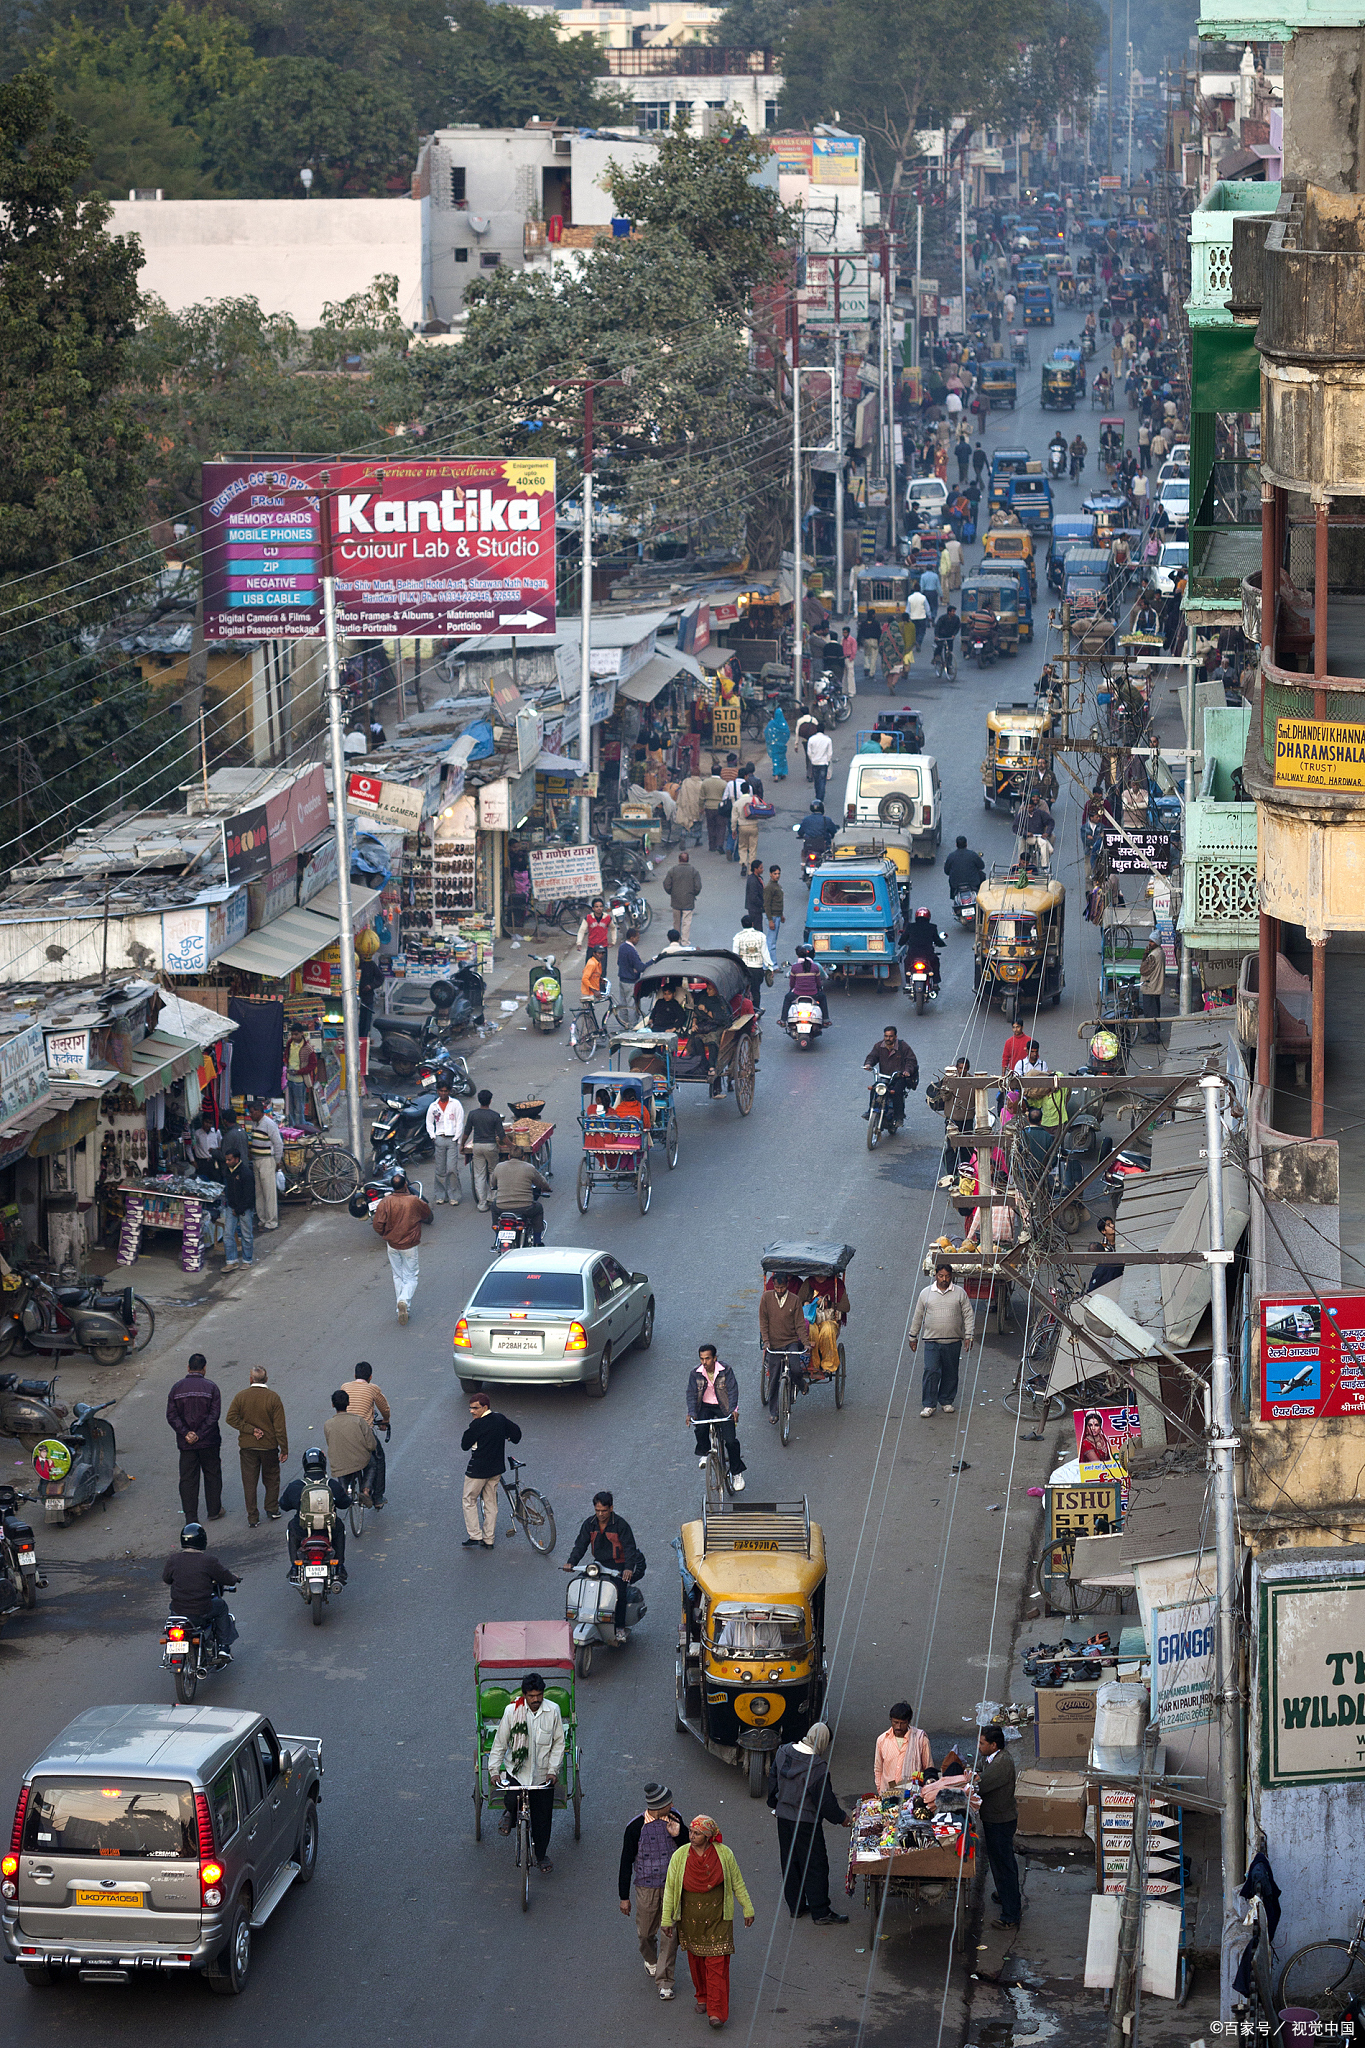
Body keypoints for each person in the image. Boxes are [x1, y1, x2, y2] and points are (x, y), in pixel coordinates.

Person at [660, 1815, 755, 2030]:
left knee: (717, 1966)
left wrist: (747, 1908)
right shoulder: (679, 1857)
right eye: (691, 1833)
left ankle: (716, 2011)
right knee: (697, 1962)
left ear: (708, 1836)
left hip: (718, 1920)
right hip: (691, 1922)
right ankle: (702, 1996)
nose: (691, 1837)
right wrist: (667, 1919)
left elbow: (737, 1882)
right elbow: (670, 1889)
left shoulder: (724, 1854)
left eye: (696, 1834)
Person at [768, 1723, 850, 1925]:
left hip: (784, 1818)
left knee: (790, 1861)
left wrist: (776, 1803)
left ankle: (796, 1906)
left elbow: (773, 1779)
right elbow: (825, 1801)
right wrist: (842, 1818)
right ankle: (820, 1911)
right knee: (815, 1864)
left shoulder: (783, 1751)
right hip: (806, 1822)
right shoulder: (817, 1767)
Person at [489, 1672, 565, 1875]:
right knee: (512, 1800)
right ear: (524, 1695)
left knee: (543, 1819)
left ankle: (541, 1855)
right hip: (517, 1771)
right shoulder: (512, 1712)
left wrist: (552, 1770)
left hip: (542, 1776)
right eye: (531, 1696)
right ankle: (511, 1814)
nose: (536, 1700)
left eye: (539, 1695)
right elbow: (500, 1743)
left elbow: (558, 1743)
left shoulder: (553, 1711)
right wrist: (494, 1771)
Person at [619, 1784, 685, 2001]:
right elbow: (625, 1862)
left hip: (671, 1888)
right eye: (668, 1803)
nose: (673, 1806)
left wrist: (679, 1834)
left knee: (670, 1933)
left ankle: (665, 1982)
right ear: (657, 1807)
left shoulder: (675, 1819)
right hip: (646, 1888)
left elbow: (688, 1847)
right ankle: (650, 1959)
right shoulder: (635, 1827)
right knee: (646, 1933)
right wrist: (624, 1897)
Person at [562, 1489, 644, 1641]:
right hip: (598, 1564)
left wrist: (628, 1568)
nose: (600, 1514)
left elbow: (629, 1548)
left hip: (618, 1565)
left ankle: (619, 1628)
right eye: (597, 1510)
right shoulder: (589, 1524)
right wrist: (571, 1562)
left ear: (611, 1508)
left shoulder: (621, 1525)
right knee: (580, 1585)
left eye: (604, 1511)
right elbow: (580, 1545)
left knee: (619, 1593)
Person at [908, 1260, 973, 1417]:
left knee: (950, 1372)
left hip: (953, 1341)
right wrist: (913, 1336)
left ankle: (946, 1400)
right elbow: (918, 1316)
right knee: (931, 1371)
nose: (944, 1279)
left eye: (947, 1276)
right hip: (932, 1341)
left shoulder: (960, 1293)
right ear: (935, 1275)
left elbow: (968, 1314)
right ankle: (929, 1404)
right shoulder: (925, 1293)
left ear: (951, 1277)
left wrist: (969, 1336)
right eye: (941, 1276)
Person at [224, 1365, 288, 1526]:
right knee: (272, 1478)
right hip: (269, 1447)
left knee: (249, 1482)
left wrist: (250, 1430)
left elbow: (231, 1418)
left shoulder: (241, 1396)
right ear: (266, 1379)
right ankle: (272, 1508)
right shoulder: (273, 1398)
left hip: (248, 1448)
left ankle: (253, 1517)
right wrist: (284, 1449)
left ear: (250, 1379)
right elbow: (279, 1427)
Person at [162, 1522, 239, 1655]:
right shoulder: (208, 1561)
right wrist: (234, 1579)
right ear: (202, 1540)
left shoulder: (173, 1559)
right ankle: (223, 1647)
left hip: (178, 1612)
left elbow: (166, 1579)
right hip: (201, 1611)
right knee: (221, 1606)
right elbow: (226, 1578)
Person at [370, 1166, 433, 1324]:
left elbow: (377, 1224)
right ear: (405, 1185)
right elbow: (427, 1213)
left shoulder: (386, 1202)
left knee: (397, 1276)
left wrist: (386, 1235)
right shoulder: (413, 1201)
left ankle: (401, 1309)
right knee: (411, 1277)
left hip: (392, 1244)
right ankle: (404, 1301)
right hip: (410, 1244)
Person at [460, 1388, 521, 1547]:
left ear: (485, 1407)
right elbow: (516, 1434)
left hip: (478, 1471)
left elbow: (465, 1445)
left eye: (475, 1408)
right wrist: (507, 1436)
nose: (471, 1411)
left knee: (469, 1500)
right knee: (491, 1503)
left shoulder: (477, 1425)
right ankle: (489, 1539)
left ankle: (475, 1536)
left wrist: (472, 1429)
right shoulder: (500, 1419)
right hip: (496, 1470)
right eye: (471, 1408)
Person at [166, 1352, 224, 1522]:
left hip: (186, 1445)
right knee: (212, 1474)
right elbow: (214, 1416)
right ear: (204, 1368)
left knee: (188, 1480)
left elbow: (172, 1415)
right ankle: (214, 1510)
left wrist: (186, 1433)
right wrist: (199, 1434)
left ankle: (191, 1517)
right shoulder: (211, 1388)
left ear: (188, 1367)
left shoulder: (177, 1388)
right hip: (209, 1441)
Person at [279, 1446, 347, 1583]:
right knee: (340, 1528)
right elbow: (345, 1503)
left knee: (291, 1527)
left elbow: (283, 1505)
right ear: (323, 1464)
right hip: (328, 1532)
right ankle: (339, 1567)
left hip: (303, 1531)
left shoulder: (296, 1486)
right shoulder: (332, 1485)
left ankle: (294, 1567)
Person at [975, 1725, 1021, 1930]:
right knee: (1000, 1863)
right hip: (995, 1819)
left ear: (993, 1745)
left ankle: (1011, 1914)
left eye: (982, 1743)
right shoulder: (992, 1759)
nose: (979, 1746)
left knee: (1004, 1866)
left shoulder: (1002, 1763)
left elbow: (980, 1786)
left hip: (1000, 1822)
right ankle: (1004, 1895)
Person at [686, 1344, 746, 1491]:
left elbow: (732, 1391)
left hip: (723, 1407)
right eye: (701, 1359)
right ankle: (705, 1452)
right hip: (705, 1406)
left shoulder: (726, 1371)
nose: (704, 1362)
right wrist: (691, 1413)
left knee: (731, 1441)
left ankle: (737, 1473)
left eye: (707, 1359)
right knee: (700, 1428)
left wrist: (733, 1410)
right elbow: (691, 1394)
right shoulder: (695, 1373)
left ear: (715, 1358)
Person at [759, 1271, 810, 1421]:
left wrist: (806, 1343)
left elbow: (800, 1324)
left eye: (782, 1287)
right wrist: (766, 1341)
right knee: (774, 1377)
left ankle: (801, 1384)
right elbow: (763, 1322)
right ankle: (774, 1412)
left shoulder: (794, 1300)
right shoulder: (766, 1298)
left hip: (791, 1341)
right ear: (773, 1285)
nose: (780, 1290)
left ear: (787, 1285)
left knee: (796, 1368)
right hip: (774, 1344)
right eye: (777, 1287)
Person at [342, 1361, 389, 1507]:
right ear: (370, 1377)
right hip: (363, 1432)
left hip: (344, 1431)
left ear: (355, 1375)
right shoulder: (372, 1388)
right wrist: (385, 1421)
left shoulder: (345, 1386)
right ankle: (377, 1498)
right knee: (378, 1459)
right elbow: (384, 1408)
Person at [487, 1143, 552, 1246]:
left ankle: (497, 1234)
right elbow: (541, 1182)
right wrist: (547, 1188)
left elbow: (493, 1183)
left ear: (509, 1156)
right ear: (523, 1157)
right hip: (525, 1208)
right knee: (538, 1208)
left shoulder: (499, 1167)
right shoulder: (529, 1168)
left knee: (494, 1207)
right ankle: (537, 1242)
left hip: (501, 1207)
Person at [325, 1386, 376, 1505]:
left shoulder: (328, 1424)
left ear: (333, 1405)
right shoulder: (359, 1421)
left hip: (339, 1463)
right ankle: (366, 1491)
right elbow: (371, 1445)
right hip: (360, 1461)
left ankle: (342, 1493)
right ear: (348, 1403)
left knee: (342, 1472)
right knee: (372, 1464)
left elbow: (330, 1442)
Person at [863, 1024, 918, 1127]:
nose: (888, 1038)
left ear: (895, 1037)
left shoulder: (903, 1046)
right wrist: (868, 1064)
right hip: (884, 1076)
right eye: (886, 1036)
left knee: (897, 1092)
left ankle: (899, 1117)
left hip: (898, 1077)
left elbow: (911, 1061)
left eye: (891, 1036)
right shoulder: (879, 1046)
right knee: (875, 1088)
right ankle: (870, 1110)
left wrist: (907, 1071)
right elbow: (872, 1056)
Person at [874, 1701, 933, 1795]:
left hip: (913, 1793)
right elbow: (878, 1768)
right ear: (891, 1720)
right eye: (895, 1722)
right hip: (888, 1793)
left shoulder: (921, 1739)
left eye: (903, 1723)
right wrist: (879, 1789)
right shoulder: (882, 1740)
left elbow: (929, 1769)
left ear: (908, 1722)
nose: (898, 1727)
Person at [462, 1090, 506, 1211]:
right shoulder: (494, 1115)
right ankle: (493, 1198)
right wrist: (511, 1146)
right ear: (490, 1101)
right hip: (491, 1146)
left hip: (477, 1147)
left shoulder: (472, 1114)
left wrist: (462, 1145)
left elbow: (467, 1132)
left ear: (479, 1100)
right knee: (493, 1171)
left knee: (479, 1175)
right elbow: (502, 1135)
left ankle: (482, 1203)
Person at [425, 1074, 465, 1206]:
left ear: (449, 1091)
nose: (443, 1093)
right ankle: (441, 1195)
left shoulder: (456, 1104)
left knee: (452, 1169)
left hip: (451, 1140)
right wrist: (433, 1137)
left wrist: (456, 1138)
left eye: (445, 1091)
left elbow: (460, 1122)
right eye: (441, 1091)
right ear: (438, 1091)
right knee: (440, 1170)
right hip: (439, 1140)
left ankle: (454, 1195)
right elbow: (429, 1123)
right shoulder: (433, 1106)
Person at [219, 1136, 256, 1270]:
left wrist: (239, 1209)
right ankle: (231, 1261)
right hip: (232, 1207)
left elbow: (249, 1195)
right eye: (226, 1159)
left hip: (244, 1208)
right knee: (228, 1234)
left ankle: (247, 1260)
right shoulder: (228, 1172)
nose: (227, 1162)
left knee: (246, 1235)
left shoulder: (246, 1173)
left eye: (229, 1160)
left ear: (236, 1159)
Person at [247, 1099, 283, 1232]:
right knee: (260, 1192)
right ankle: (263, 1219)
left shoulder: (269, 1124)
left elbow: (278, 1144)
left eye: (251, 1112)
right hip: (257, 1160)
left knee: (269, 1192)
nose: (250, 1115)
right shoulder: (256, 1123)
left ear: (258, 1111)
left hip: (267, 1160)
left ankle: (271, 1222)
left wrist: (277, 1161)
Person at [732, 915, 773, 1011]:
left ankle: (745, 1009)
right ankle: (756, 1009)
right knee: (756, 990)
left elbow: (735, 954)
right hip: (757, 968)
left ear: (742, 925)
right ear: (753, 924)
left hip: (744, 969)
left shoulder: (738, 937)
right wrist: (770, 967)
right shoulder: (761, 936)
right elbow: (765, 953)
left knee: (744, 990)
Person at [781, 946, 830, 1026]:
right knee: (823, 997)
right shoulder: (815, 966)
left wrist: (792, 989)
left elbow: (792, 983)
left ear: (797, 956)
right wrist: (819, 989)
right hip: (813, 994)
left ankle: (783, 1020)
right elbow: (818, 982)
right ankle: (826, 1020)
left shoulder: (794, 967)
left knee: (787, 998)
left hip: (797, 993)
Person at [663, 850, 703, 943]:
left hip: (676, 900)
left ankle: (676, 940)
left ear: (679, 860)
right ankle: (685, 941)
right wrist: (693, 894)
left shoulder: (672, 870)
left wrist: (672, 893)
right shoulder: (693, 871)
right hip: (688, 900)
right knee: (686, 922)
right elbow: (698, 886)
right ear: (688, 860)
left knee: (676, 922)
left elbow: (666, 884)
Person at [283, 1023, 317, 1128]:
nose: (294, 1037)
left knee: (299, 1106)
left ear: (302, 1034)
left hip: (299, 1080)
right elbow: (286, 1056)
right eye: (292, 1034)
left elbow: (313, 1064)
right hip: (289, 1079)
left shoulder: (308, 1048)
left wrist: (299, 1072)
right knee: (290, 1106)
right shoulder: (290, 1044)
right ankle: (294, 1126)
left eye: (296, 1034)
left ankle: (300, 1126)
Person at [908, 906, 947, 989]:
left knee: (906, 962)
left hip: (913, 955)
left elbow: (903, 939)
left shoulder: (910, 927)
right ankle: (936, 983)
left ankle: (908, 982)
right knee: (935, 962)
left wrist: (902, 943)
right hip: (928, 955)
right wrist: (942, 944)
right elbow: (937, 940)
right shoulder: (932, 927)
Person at [1087, 1216, 1126, 1293]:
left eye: (1112, 1223)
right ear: (1103, 1231)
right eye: (1108, 1225)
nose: (1112, 1226)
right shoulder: (1103, 1248)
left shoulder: (1122, 1239)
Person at [1140, 933, 1166, 1042]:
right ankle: (1153, 1033)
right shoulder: (1160, 953)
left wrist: (1145, 955)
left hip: (1150, 987)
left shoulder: (1153, 956)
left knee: (1150, 1013)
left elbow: (1143, 970)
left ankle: (1153, 1035)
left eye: (1152, 941)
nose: (1150, 943)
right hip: (1156, 988)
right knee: (1155, 1012)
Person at [944, 834, 986, 901]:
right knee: (982, 875)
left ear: (956, 845)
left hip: (955, 885)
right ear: (966, 844)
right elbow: (982, 866)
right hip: (973, 884)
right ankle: (982, 894)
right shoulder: (972, 855)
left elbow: (946, 871)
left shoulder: (951, 856)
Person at [616, 926, 645, 1018]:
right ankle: (632, 1027)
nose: (638, 940)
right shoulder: (631, 950)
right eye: (637, 938)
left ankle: (624, 1025)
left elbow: (618, 962)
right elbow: (640, 967)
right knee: (632, 1006)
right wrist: (652, 961)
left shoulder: (622, 947)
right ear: (632, 938)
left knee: (623, 1005)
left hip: (622, 980)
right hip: (631, 982)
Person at [673, 771, 708, 850]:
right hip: (697, 808)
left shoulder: (686, 782)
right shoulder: (701, 784)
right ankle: (697, 840)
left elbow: (681, 793)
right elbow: (703, 797)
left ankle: (683, 837)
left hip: (687, 807)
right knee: (698, 825)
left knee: (686, 823)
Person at [578, 897, 613, 963]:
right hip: (592, 946)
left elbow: (613, 928)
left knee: (602, 969)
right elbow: (581, 930)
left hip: (603, 946)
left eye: (600, 906)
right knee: (589, 968)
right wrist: (579, 943)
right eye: (596, 907)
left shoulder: (607, 918)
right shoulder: (588, 918)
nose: (599, 908)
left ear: (603, 907)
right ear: (593, 908)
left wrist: (613, 941)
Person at [932, 603, 960, 676]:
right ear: (949, 612)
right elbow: (937, 627)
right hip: (941, 636)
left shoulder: (956, 619)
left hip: (950, 637)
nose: (954, 613)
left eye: (954, 612)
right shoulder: (942, 618)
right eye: (952, 611)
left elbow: (957, 627)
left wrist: (954, 634)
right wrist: (936, 636)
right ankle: (936, 657)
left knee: (949, 652)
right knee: (940, 646)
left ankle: (949, 666)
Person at [765, 703, 791, 780]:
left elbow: (766, 732)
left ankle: (776, 775)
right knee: (782, 759)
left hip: (774, 744)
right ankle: (783, 773)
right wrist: (784, 741)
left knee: (775, 758)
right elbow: (787, 733)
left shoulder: (771, 723)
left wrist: (771, 740)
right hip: (782, 745)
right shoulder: (784, 724)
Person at [857, 608, 881, 685]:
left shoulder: (864, 623)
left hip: (866, 641)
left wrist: (859, 643)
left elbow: (860, 633)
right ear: (873, 615)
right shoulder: (876, 623)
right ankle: (871, 673)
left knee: (866, 655)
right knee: (874, 657)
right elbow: (879, 633)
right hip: (874, 641)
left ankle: (866, 667)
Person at [764, 866, 784, 950]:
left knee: (773, 941)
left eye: (778, 873)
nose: (777, 876)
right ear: (770, 874)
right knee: (771, 942)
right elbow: (767, 904)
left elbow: (778, 902)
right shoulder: (769, 887)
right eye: (775, 874)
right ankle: (770, 963)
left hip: (777, 915)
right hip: (772, 916)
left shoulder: (777, 885)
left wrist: (781, 915)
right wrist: (770, 920)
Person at [743, 857, 766, 929]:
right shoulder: (753, 881)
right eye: (761, 868)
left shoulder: (757, 878)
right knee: (757, 927)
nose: (762, 869)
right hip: (755, 909)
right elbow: (754, 897)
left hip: (756, 908)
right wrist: (762, 905)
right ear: (755, 869)